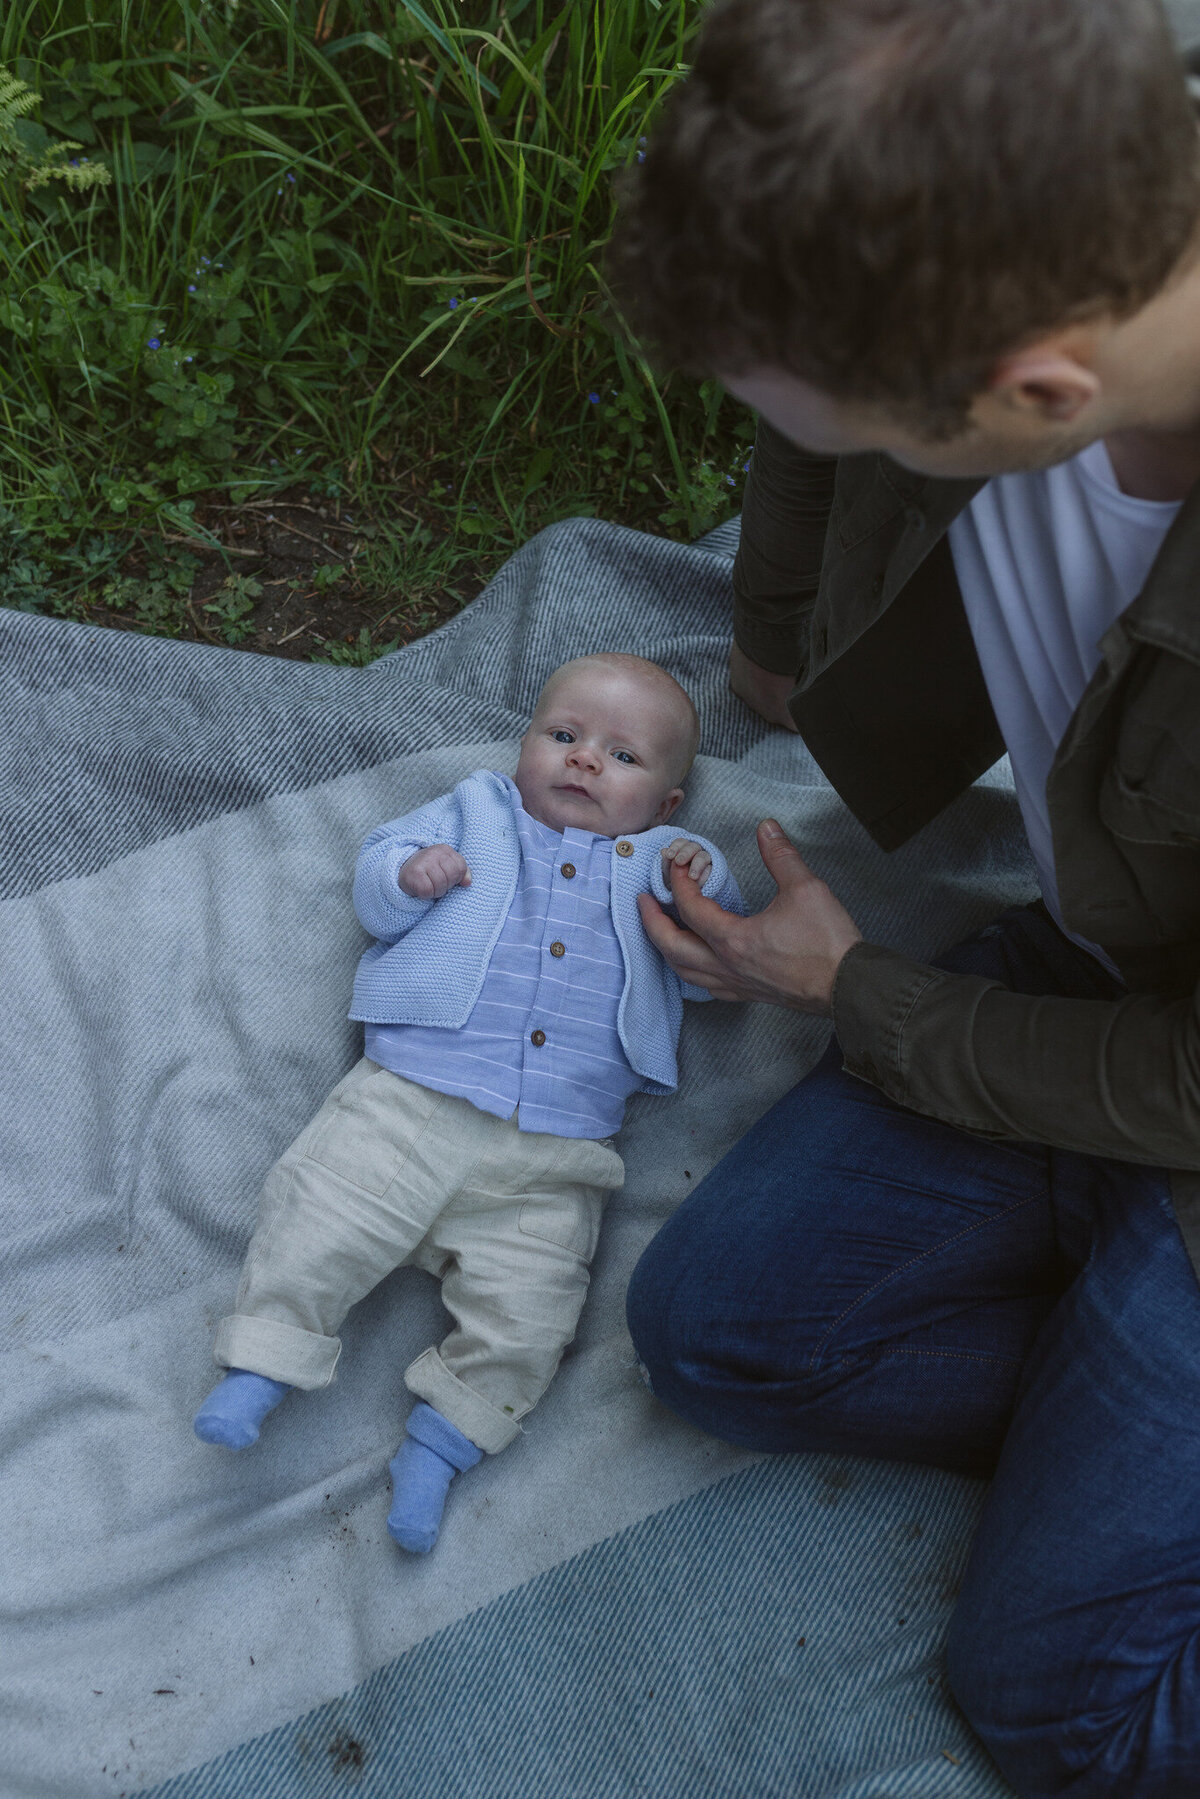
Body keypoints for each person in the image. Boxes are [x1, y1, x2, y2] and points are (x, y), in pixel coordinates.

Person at [607, 1, 1200, 1793]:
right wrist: (780, 640)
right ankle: (1113, 1432)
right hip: (1123, 960)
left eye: (870, 434)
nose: (805, 452)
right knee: (726, 1332)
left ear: (1036, 394)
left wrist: (867, 992)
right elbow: (813, 395)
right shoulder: (1062, 137)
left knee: (1067, 1705)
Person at [193, 652, 743, 1554]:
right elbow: (377, 877)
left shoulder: (665, 867)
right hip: (408, 1104)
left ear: (668, 805)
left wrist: (706, 887)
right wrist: (410, 876)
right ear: (526, 745)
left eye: (622, 756)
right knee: (318, 1211)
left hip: (553, 1161)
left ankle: (442, 1445)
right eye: (562, 736)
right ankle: (262, 1361)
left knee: (533, 1311)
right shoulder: (477, 813)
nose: (584, 762)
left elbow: (717, 974)